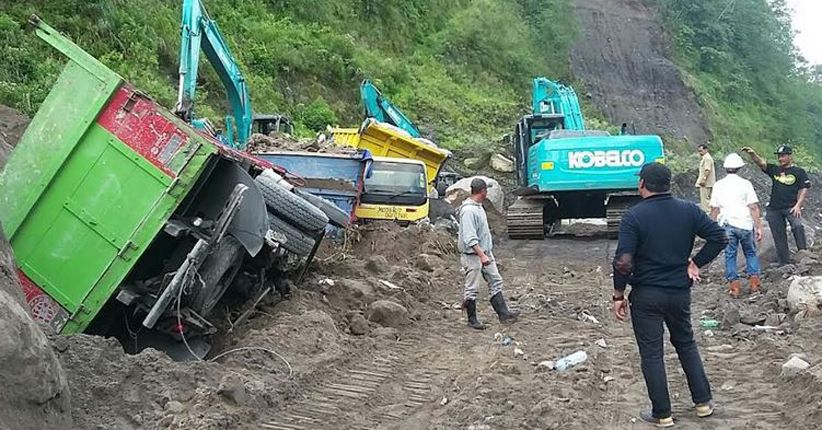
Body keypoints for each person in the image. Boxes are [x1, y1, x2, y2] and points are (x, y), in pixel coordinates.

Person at [612, 162, 727, 427]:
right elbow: (719, 237)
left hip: (647, 296)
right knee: (686, 344)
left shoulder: (634, 216)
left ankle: (662, 414)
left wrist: (618, 294)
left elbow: (623, 262)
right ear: (668, 184)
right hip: (678, 292)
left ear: (642, 184)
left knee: (652, 353)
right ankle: (703, 403)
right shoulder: (688, 210)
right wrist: (695, 262)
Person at [458, 178, 519, 330]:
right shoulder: (468, 211)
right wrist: (481, 255)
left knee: (496, 280)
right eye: (487, 190)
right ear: (483, 191)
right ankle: (472, 320)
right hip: (473, 256)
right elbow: (470, 238)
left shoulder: (478, 207)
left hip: (484, 252)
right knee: (472, 288)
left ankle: (503, 313)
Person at [741, 145, 811, 266]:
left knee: (798, 226)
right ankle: (784, 261)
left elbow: (804, 189)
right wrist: (753, 154)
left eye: (783, 156)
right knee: (778, 234)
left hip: (791, 206)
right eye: (779, 156)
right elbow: (761, 163)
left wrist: (798, 205)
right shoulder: (775, 170)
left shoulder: (799, 172)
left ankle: (803, 256)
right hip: (774, 208)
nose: (780, 159)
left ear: (790, 156)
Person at [709, 153, 764, 298]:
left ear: (726, 168)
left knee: (730, 255)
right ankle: (754, 284)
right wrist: (758, 227)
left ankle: (734, 287)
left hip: (727, 225)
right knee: (751, 253)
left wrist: (710, 227)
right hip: (745, 224)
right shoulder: (746, 184)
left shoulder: (718, 185)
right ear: (740, 168)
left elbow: (714, 209)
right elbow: (753, 207)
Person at [695, 144, 716, 212]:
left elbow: (707, 170)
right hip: (708, 182)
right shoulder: (706, 158)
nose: (700, 153)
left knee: (705, 200)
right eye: (699, 151)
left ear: (706, 150)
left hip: (706, 183)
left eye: (701, 151)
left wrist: (704, 179)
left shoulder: (707, 158)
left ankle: (707, 212)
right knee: (708, 199)